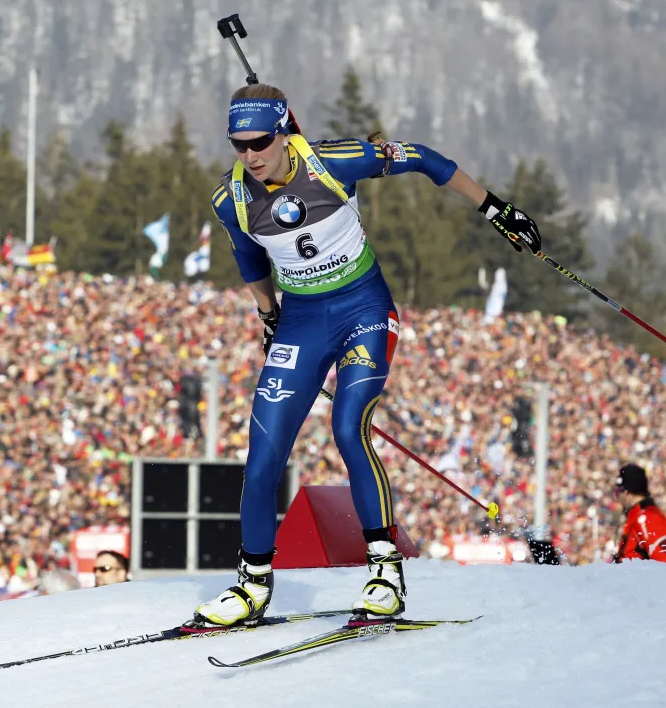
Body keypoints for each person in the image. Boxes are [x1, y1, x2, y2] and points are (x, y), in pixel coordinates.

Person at [189, 83, 542, 629]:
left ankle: (385, 571)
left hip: (364, 310)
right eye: (239, 144)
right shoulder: (231, 197)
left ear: (284, 131)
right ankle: (253, 583)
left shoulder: (335, 161)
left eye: (260, 141)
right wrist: (267, 314)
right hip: (303, 322)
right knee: (261, 455)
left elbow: (424, 158)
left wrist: (496, 209)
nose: (250, 155)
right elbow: (247, 258)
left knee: (348, 426)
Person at [612, 463, 666, 563]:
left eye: (617, 492)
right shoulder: (637, 516)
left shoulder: (647, 517)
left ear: (626, 493)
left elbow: (665, 564)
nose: (617, 498)